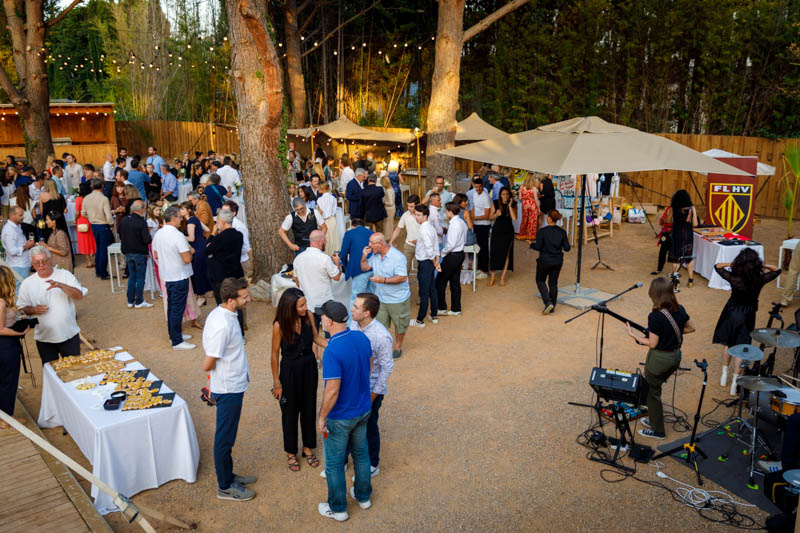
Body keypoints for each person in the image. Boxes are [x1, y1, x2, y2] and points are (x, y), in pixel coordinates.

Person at [316, 300, 373, 522]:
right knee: (361, 454)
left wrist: (321, 417)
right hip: (362, 409)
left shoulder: (332, 350)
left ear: (329, 321)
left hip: (340, 416)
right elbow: (368, 367)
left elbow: (332, 390)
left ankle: (338, 508)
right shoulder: (361, 337)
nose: (320, 319)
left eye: (322, 316)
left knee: (334, 463)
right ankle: (363, 496)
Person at [201, 277, 256, 502]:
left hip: (232, 383)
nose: (249, 299)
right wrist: (214, 382)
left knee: (228, 436)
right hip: (228, 388)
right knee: (224, 438)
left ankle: (229, 475)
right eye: (245, 297)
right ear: (232, 300)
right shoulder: (222, 325)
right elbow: (208, 361)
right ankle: (224, 486)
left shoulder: (226, 313)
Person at [625, 277, 695, 439]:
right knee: (656, 388)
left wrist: (633, 335)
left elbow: (652, 343)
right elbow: (692, 328)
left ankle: (658, 431)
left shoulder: (655, 316)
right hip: (675, 356)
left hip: (659, 359)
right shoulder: (680, 309)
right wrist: (670, 334)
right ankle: (654, 418)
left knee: (651, 392)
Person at [270, 288, 327, 472]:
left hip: (309, 368)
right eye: (301, 305)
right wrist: (277, 382)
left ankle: (308, 448)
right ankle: (291, 453)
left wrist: (336, 342)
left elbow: (317, 339)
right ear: (290, 307)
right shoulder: (279, 325)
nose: (305, 307)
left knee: (309, 408)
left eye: (305, 303)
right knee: (289, 413)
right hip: (289, 371)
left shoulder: (309, 316)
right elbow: (274, 354)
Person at [713, 249, 781, 393]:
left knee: (728, 343)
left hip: (731, 312)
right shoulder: (759, 280)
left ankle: (724, 375)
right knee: (742, 348)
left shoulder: (734, 278)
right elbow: (777, 270)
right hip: (747, 315)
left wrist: (731, 264)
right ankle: (735, 383)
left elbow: (717, 266)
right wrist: (763, 265)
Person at [348, 293, 393, 478]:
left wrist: (374, 393)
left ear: (367, 313)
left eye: (356, 307)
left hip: (370, 389)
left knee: (369, 426)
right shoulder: (353, 325)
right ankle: (345, 459)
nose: (352, 309)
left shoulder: (381, 336)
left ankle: (373, 463)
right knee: (349, 424)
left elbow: (387, 366)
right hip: (353, 386)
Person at [17, 246, 85, 364]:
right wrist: (33, 310)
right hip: (44, 338)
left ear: (50, 259)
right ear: (32, 264)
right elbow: (22, 308)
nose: (41, 264)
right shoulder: (27, 283)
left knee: (75, 372)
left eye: (44, 261)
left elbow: (78, 296)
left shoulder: (64, 275)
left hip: (69, 334)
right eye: (37, 262)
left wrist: (61, 285)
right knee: (51, 374)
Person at [152, 206, 196, 350]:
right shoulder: (177, 236)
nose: (181, 220)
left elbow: (157, 254)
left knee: (172, 307)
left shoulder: (159, 234)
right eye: (180, 217)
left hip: (167, 274)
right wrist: (191, 251)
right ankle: (177, 340)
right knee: (177, 308)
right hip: (179, 275)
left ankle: (174, 335)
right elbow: (187, 259)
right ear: (174, 218)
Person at [361, 233, 411, 359]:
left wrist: (383, 280)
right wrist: (364, 256)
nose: (369, 245)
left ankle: (398, 346)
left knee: (400, 324)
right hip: (381, 298)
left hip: (397, 299)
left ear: (380, 243)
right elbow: (365, 267)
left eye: (371, 243)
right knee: (380, 325)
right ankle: (383, 347)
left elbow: (402, 277)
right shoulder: (375, 256)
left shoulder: (397, 257)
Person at [293, 230, 342, 333]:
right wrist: (337, 263)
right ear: (321, 241)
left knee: (312, 336)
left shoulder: (298, 258)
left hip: (308, 303)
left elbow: (296, 280)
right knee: (330, 332)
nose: (326, 242)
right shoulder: (324, 258)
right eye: (325, 240)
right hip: (325, 302)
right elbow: (337, 277)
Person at [0, 265, 29, 431]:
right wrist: (19, 332)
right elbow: (0, 329)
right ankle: (7, 417)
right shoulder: (2, 302)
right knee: (8, 381)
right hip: (5, 346)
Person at [206, 209, 244, 332]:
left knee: (223, 304)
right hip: (235, 272)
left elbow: (206, 250)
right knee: (237, 303)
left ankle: (228, 330)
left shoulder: (219, 238)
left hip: (220, 274)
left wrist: (212, 234)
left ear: (222, 222)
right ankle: (240, 331)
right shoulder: (239, 235)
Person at [529, 210, 571, 314]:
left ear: (549, 218)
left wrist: (531, 244)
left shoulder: (542, 231)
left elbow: (538, 247)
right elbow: (567, 248)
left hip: (544, 260)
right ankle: (552, 306)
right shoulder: (562, 232)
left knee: (540, 280)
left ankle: (548, 302)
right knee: (553, 283)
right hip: (557, 261)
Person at [409, 205, 440, 328]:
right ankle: (434, 315)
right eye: (415, 214)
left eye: (418, 215)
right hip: (430, 261)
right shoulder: (431, 227)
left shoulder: (423, 228)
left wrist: (434, 261)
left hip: (426, 262)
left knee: (424, 292)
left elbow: (428, 247)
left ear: (425, 216)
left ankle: (420, 320)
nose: (416, 217)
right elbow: (435, 244)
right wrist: (436, 259)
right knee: (432, 289)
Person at [120, 201, 153, 309]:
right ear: (141, 209)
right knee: (140, 278)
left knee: (132, 277)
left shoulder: (124, 220)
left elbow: (121, 236)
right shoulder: (141, 222)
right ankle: (139, 301)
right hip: (139, 253)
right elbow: (147, 240)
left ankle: (130, 301)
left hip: (128, 253)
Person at [436, 202, 467, 317]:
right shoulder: (461, 222)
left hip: (453, 255)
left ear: (449, 211)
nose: (445, 213)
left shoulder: (454, 225)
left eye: (446, 211)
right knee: (454, 282)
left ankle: (442, 307)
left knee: (440, 281)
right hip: (460, 254)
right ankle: (456, 309)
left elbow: (450, 245)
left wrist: (442, 253)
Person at [82, 178, 115, 280]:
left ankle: (98, 271)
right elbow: (108, 215)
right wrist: (111, 224)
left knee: (98, 248)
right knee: (104, 249)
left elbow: (83, 213)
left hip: (94, 224)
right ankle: (103, 272)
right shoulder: (104, 199)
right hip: (103, 224)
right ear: (102, 186)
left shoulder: (86, 198)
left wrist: (92, 218)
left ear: (92, 186)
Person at [182, 202, 212, 306]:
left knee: (198, 272)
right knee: (201, 271)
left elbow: (191, 238)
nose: (181, 211)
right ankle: (201, 295)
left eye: (183, 209)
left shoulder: (190, 221)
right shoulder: (195, 219)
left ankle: (201, 296)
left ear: (188, 210)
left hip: (197, 249)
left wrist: (179, 235)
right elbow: (207, 229)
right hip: (201, 246)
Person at [340, 219, 373, 311]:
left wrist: (346, 267)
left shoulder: (349, 233)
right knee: (371, 298)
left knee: (356, 298)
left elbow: (342, 255)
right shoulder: (372, 232)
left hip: (358, 270)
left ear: (352, 226)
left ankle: (352, 324)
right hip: (374, 269)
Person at [669, 189, 698, 287]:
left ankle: (676, 281)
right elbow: (695, 224)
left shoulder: (673, 208)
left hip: (676, 234)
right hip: (687, 235)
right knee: (688, 257)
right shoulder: (692, 208)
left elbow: (669, 220)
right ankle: (690, 280)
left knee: (676, 258)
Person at [489, 187, 517, 287]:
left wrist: (509, 206)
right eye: (503, 194)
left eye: (507, 194)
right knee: (494, 253)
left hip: (508, 231)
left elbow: (514, 218)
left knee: (506, 254)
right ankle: (493, 276)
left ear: (509, 195)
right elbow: (490, 217)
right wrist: (496, 214)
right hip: (497, 231)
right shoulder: (496, 203)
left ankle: (502, 278)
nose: (505, 196)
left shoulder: (513, 204)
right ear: (500, 195)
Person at [389, 194, 420, 275]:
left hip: (422, 246)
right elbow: (398, 229)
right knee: (404, 269)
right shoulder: (405, 215)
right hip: (409, 245)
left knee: (423, 270)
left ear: (418, 205)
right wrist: (391, 241)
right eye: (408, 206)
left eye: (412, 206)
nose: (409, 208)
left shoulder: (425, 214)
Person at [2, 206, 35, 282]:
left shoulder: (17, 226)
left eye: (23, 215)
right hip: (18, 266)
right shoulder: (9, 230)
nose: (23, 217)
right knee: (19, 291)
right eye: (20, 215)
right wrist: (27, 246)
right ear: (12, 216)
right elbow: (12, 251)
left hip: (23, 264)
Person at [222, 200, 251, 279]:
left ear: (233, 213)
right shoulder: (226, 224)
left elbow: (246, 247)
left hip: (241, 261)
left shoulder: (239, 226)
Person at [471, 178, 492, 280]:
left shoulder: (486, 197)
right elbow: (474, 207)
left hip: (484, 224)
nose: (478, 189)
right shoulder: (475, 194)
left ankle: (485, 270)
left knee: (484, 247)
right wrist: (472, 217)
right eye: (476, 187)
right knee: (478, 246)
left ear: (483, 186)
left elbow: (487, 215)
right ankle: (480, 268)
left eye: (480, 187)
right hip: (476, 224)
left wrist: (474, 218)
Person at [73, 182, 96, 269]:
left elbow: (77, 212)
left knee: (84, 241)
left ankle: (89, 261)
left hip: (82, 220)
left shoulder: (78, 199)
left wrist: (75, 220)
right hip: (91, 219)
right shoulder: (91, 198)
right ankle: (94, 260)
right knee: (92, 240)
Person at [315, 182, 339, 255]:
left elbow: (320, 212)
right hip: (332, 220)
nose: (317, 189)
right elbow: (334, 211)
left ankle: (327, 255)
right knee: (333, 239)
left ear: (322, 189)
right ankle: (335, 255)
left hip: (324, 221)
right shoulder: (333, 198)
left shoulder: (320, 199)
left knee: (326, 240)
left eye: (318, 188)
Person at [651, 206, 673, 276]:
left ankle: (674, 272)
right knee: (662, 252)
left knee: (673, 253)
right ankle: (659, 269)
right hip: (666, 233)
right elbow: (662, 220)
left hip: (673, 233)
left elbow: (667, 220)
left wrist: (664, 220)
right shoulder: (669, 208)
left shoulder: (675, 208)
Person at [517, 174, 540, 241]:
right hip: (532, 205)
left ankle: (522, 235)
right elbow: (536, 199)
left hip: (524, 204)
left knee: (524, 220)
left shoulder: (521, 187)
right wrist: (538, 208)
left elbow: (520, 198)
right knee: (531, 221)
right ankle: (530, 236)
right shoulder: (534, 188)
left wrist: (525, 198)